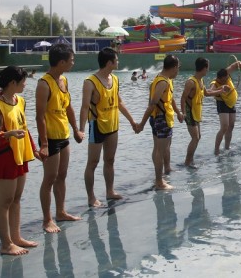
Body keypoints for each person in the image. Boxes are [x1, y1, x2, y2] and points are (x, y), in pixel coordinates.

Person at [0, 66, 39, 255]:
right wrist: (8, 134)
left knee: (16, 199)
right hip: (4, 156)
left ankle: (16, 237)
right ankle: (6, 244)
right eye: (23, 81)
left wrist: (34, 149)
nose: (25, 84)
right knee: (5, 202)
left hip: (20, 155)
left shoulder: (19, 101)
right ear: (13, 82)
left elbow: (25, 128)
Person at [79, 47, 139, 207]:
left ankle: (110, 191)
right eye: (116, 60)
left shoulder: (115, 79)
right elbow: (84, 107)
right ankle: (91, 197)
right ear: (109, 62)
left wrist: (132, 121)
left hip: (113, 126)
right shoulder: (90, 82)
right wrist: (81, 129)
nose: (118, 62)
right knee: (93, 162)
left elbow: (119, 102)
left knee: (110, 160)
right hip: (97, 126)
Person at [36, 43, 84, 233]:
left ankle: (61, 212)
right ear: (61, 62)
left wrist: (76, 129)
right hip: (50, 138)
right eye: (71, 60)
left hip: (64, 135)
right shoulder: (44, 84)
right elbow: (39, 116)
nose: (73, 63)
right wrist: (44, 144)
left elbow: (68, 107)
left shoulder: (63, 80)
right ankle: (47, 220)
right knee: (49, 178)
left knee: (62, 175)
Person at [137, 55, 184, 190]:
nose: (178, 71)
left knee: (159, 149)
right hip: (161, 119)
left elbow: (170, 99)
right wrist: (141, 124)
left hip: (163, 118)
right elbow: (152, 104)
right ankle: (159, 182)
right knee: (159, 150)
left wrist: (178, 113)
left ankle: (162, 175)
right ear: (174, 67)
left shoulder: (165, 79)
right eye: (178, 68)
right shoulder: (162, 82)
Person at [180, 57, 222, 168]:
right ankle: (187, 162)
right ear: (204, 68)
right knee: (195, 137)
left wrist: (221, 90)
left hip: (197, 113)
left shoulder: (201, 81)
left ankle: (191, 160)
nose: (208, 70)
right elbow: (183, 98)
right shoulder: (191, 82)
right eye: (208, 68)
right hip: (190, 112)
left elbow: (207, 93)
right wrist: (183, 113)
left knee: (198, 137)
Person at [210, 60, 241, 155]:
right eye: (224, 80)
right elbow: (209, 91)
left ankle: (227, 147)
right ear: (219, 78)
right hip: (222, 103)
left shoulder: (227, 73)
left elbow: (238, 63)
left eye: (227, 78)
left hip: (232, 103)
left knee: (231, 126)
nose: (226, 80)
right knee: (224, 127)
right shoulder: (214, 82)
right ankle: (216, 149)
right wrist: (221, 88)